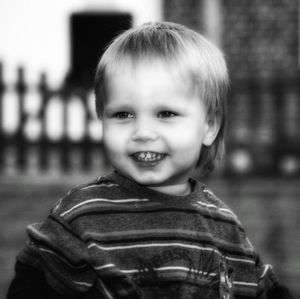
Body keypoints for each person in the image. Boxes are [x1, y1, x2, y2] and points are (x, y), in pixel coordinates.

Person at [7, 21, 293, 299]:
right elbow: (32, 282)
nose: (142, 133)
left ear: (209, 126)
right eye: (123, 114)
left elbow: (259, 287)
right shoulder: (82, 215)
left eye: (165, 114)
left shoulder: (224, 226)